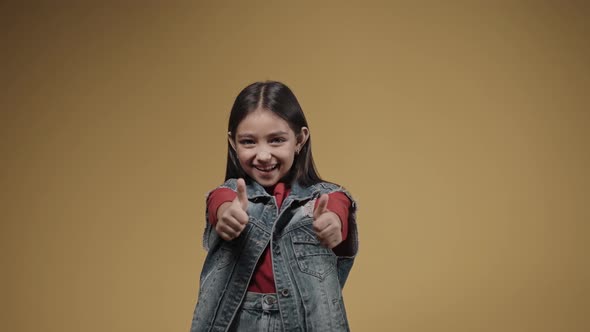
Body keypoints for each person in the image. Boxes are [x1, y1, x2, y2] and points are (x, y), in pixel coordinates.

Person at [190, 81, 358, 331]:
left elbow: (337, 210)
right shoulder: (229, 195)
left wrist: (333, 223)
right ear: (233, 143)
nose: (263, 155)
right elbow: (221, 204)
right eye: (248, 142)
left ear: (300, 139)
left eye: (276, 140)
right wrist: (227, 215)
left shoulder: (328, 198)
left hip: (304, 324)